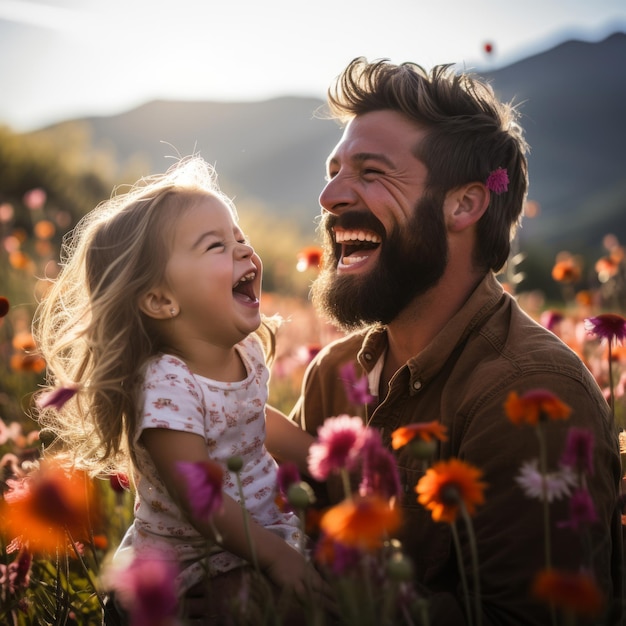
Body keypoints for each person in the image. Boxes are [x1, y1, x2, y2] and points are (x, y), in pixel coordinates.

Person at [291, 57, 623, 624]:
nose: (329, 195)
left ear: (465, 205)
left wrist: (295, 603)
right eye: (334, 169)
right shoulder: (336, 373)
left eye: (370, 173)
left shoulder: (530, 395)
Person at [34, 156, 329, 624]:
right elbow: (199, 502)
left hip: (264, 534)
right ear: (160, 299)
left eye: (239, 237)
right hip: (199, 565)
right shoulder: (166, 386)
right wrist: (274, 556)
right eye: (216, 245)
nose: (243, 251)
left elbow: (254, 421)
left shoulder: (245, 353)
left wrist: (325, 460)